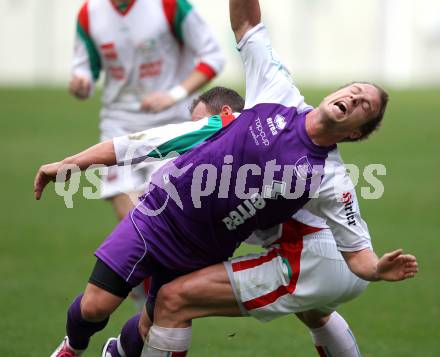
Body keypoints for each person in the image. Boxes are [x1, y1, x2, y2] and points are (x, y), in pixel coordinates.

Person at [34, 1, 412, 356]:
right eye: (355, 89)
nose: (355, 97)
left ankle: (119, 350)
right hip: (157, 217)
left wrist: (377, 271)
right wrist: (70, 163)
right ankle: (73, 346)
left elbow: (357, 252)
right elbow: (247, 23)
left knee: (156, 319)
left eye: (365, 105)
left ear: (355, 133)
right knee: (94, 306)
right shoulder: (277, 91)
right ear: (338, 91)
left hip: (204, 249)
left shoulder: (330, 178)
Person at [70, 0, 224, 221]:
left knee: (171, 224)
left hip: (172, 127)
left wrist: (173, 96)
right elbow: (83, 71)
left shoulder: (169, 5)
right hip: (119, 125)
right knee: (134, 228)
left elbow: (213, 57)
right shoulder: (89, 13)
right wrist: (80, 84)